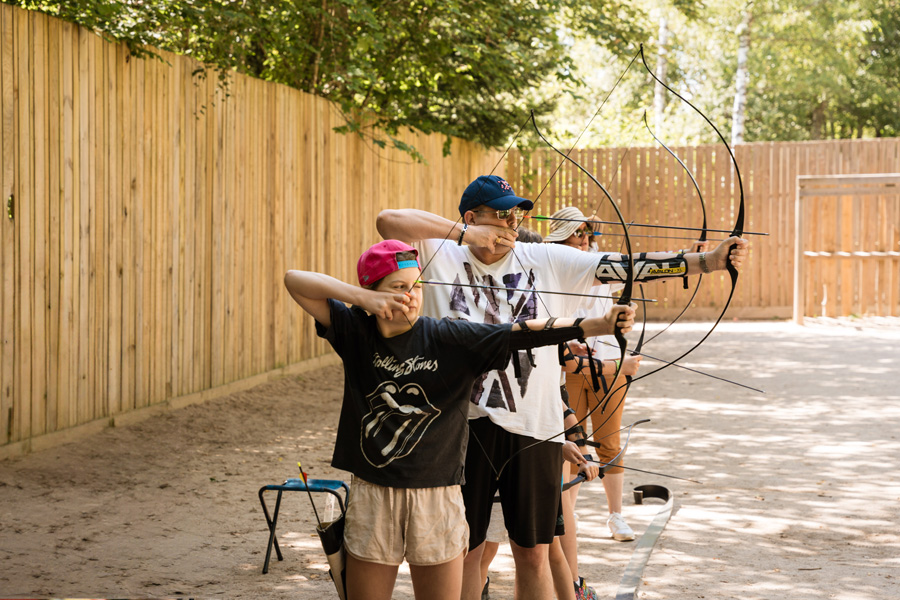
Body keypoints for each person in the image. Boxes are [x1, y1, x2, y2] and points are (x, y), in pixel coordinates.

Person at [376, 175, 749, 600]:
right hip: (463, 426)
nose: (511, 225)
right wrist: (464, 235)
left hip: (535, 427)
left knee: (532, 552)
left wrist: (708, 262)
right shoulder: (440, 252)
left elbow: (626, 265)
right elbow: (388, 221)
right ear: (471, 217)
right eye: (501, 215)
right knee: (464, 548)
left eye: (517, 215)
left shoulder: (544, 258)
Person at [284, 239, 636, 600]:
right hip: (374, 493)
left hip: (438, 496)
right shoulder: (355, 332)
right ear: (373, 293)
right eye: (398, 288)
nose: (411, 296)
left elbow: (522, 332)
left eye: (417, 285)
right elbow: (295, 280)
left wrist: (596, 324)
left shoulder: (446, 336)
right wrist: (362, 300)